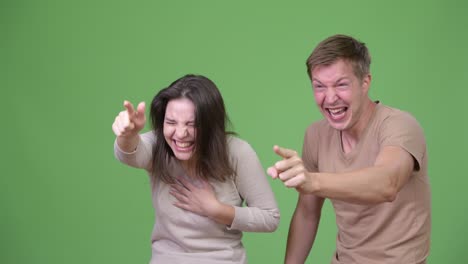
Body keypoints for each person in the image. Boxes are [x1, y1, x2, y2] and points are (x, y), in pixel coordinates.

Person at [267, 35, 431, 264]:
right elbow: (307, 213)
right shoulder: (315, 135)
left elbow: (387, 183)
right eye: (319, 86)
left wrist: (313, 181)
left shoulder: (399, 125)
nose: (330, 98)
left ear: (365, 82)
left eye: (341, 84)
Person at [112, 74, 280, 264]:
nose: (181, 134)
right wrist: (127, 135)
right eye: (171, 122)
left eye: (193, 124)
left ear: (212, 125)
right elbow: (130, 154)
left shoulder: (237, 151)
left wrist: (216, 209)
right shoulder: (158, 144)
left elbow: (269, 217)